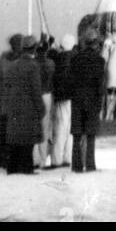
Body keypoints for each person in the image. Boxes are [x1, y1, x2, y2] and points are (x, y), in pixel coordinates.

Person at [3, 35, 43, 174]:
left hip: (14, 107)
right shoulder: (33, 66)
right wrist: (41, 108)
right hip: (29, 108)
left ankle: (12, 168)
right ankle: (27, 168)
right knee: (28, 140)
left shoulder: (12, 66)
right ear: (34, 48)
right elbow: (36, 90)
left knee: (15, 139)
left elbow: (6, 87)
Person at [70, 29, 106, 174]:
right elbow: (100, 84)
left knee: (77, 134)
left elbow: (71, 81)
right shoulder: (100, 60)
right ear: (96, 43)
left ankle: (77, 165)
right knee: (90, 135)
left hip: (77, 99)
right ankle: (90, 164)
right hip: (92, 100)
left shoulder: (75, 59)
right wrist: (100, 101)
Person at [49, 34, 75, 169]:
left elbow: (52, 55)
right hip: (73, 98)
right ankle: (68, 158)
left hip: (62, 98)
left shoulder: (59, 59)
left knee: (60, 129)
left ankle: (56, 159)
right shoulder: (75, 58)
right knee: (70, 130)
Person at [35, 36, 55, 169]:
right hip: (47, 95)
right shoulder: (50, 63)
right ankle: (42, 159)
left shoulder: (34, 63)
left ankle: (35, 158)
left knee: (35, 126)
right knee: (45, 127)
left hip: (36, 95)